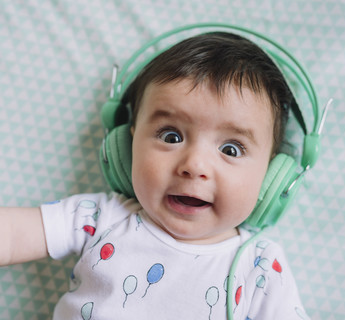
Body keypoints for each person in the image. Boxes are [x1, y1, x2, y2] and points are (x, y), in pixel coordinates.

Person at [0, 32, 310, 319]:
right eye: (171, 137)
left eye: (231, 149)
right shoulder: (100, 217)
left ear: (272, 177)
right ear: (128, 143)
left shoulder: (259, 266)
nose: (194, 166)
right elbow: (12, 234)